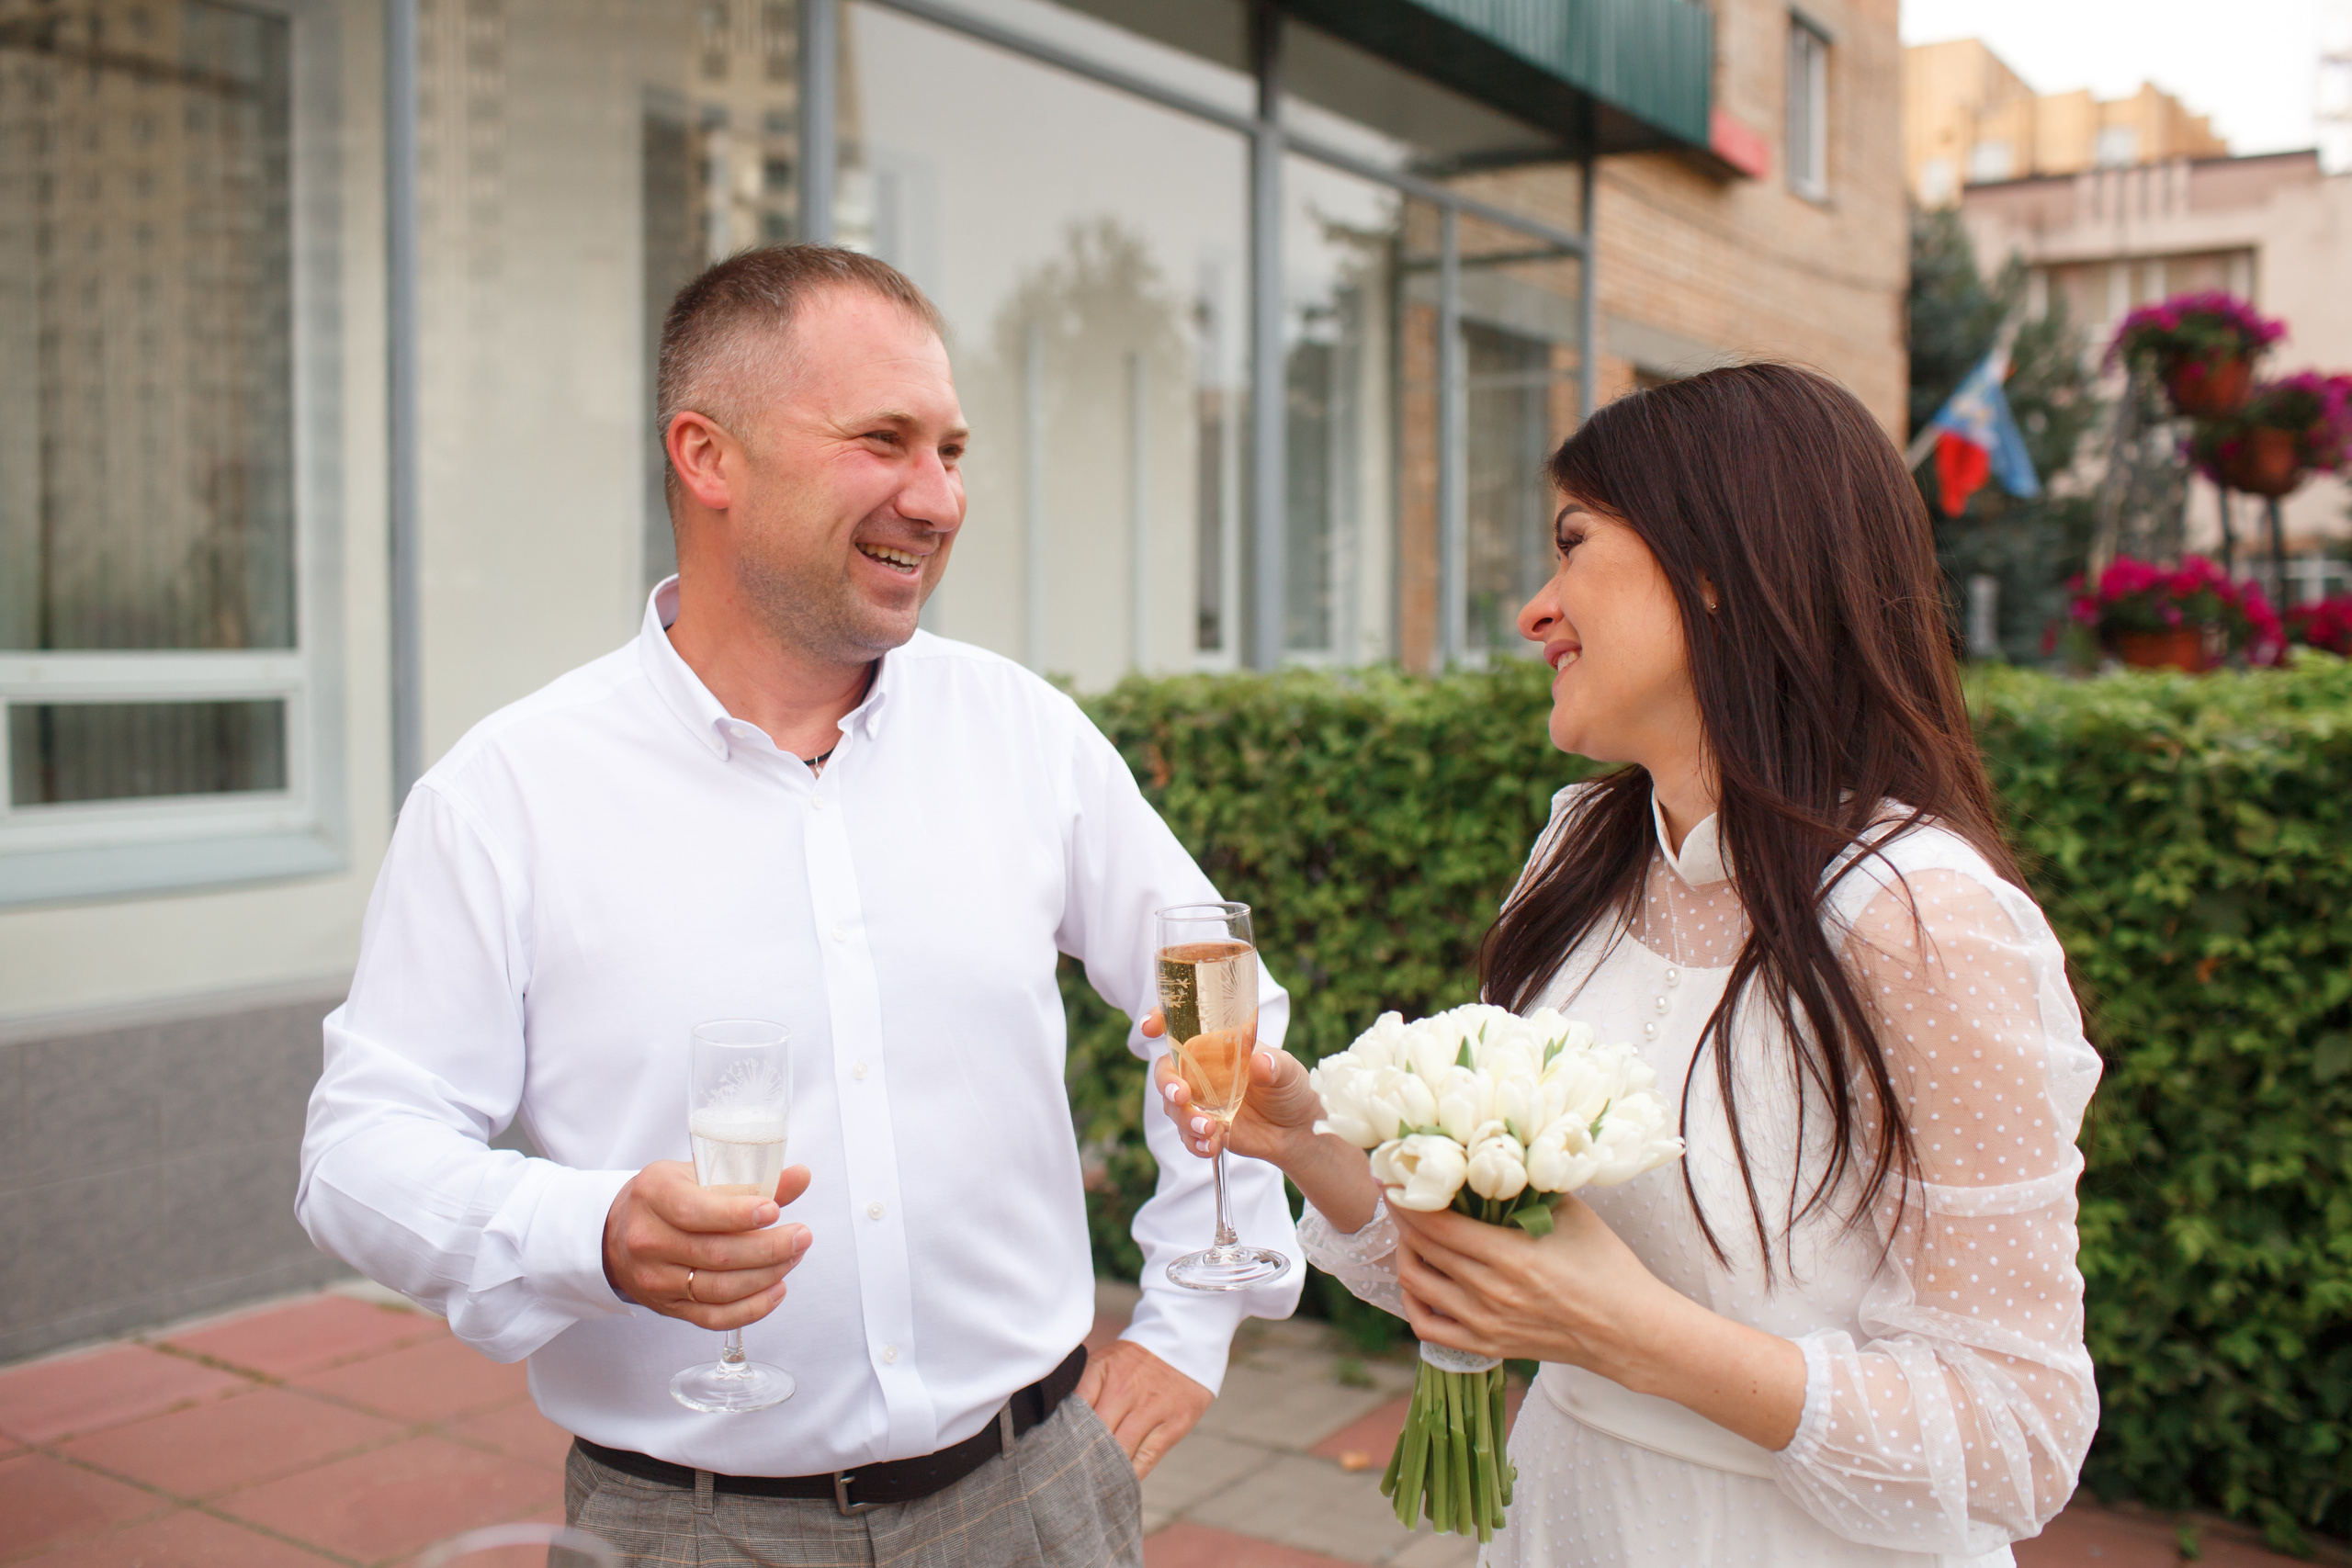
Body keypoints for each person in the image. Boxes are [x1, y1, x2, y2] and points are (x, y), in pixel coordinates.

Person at [299, 244, 1301, 1568]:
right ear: (709, 458)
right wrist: (589, 1232)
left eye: (952, 449)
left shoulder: (1025, 737)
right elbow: (360, 1154)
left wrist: (1188, 1325)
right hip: (686, 1528)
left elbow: (1214, 996)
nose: (938, 499)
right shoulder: (507, 795)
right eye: (885, 440)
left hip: (1038, 1500)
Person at [1155, 363, 2101, 1566]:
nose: (1534, 611)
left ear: (1717, 567)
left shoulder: (1924, 923)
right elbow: (1488, 1282)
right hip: (1565, 1524)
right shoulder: (1583, 850)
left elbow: (2019, 1437)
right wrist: (1306, 1142)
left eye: (1573, 544)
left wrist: (1635, 1332)